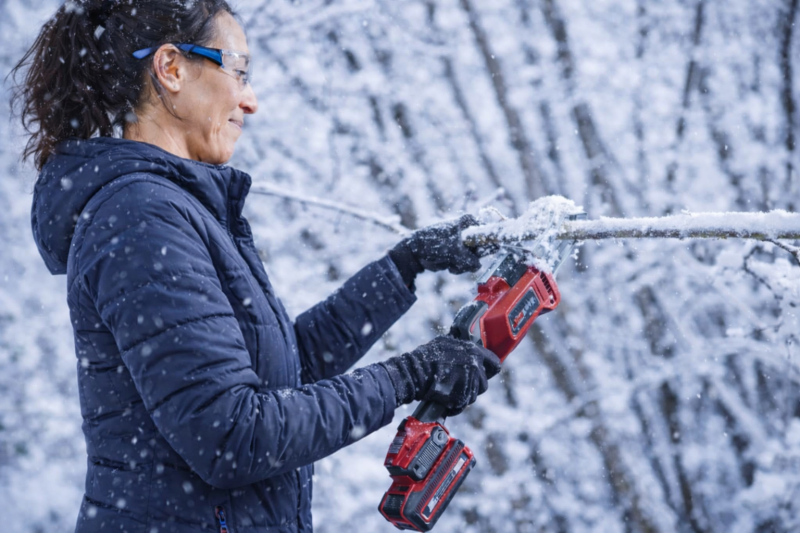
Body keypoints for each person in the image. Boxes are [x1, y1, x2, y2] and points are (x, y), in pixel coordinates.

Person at [12, 1, 502, 531]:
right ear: (171, 68)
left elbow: (281, 375)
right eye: (239, 71)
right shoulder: (141, 216)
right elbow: (232, 435)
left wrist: (404, 266)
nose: (251, 100)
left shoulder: (174, 209)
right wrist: (410, 375)